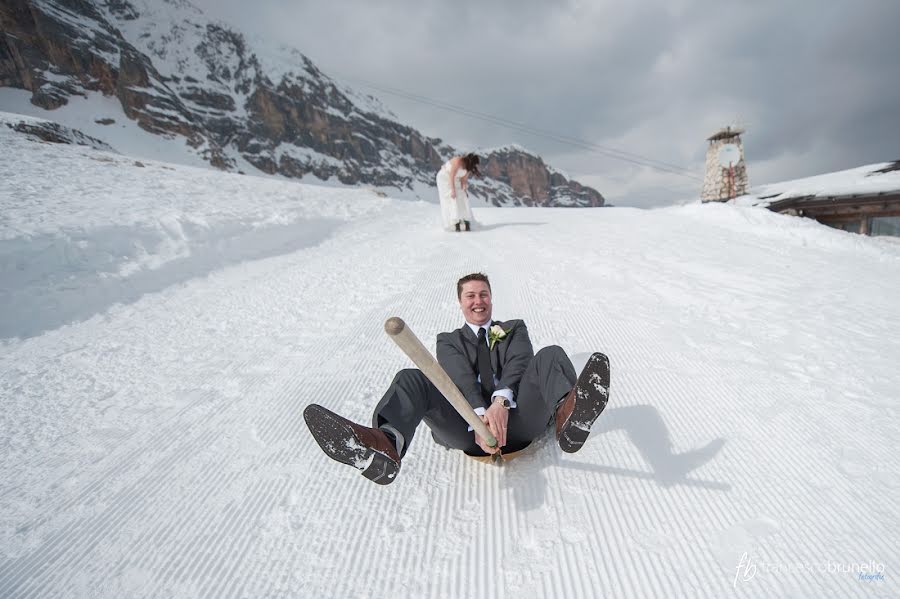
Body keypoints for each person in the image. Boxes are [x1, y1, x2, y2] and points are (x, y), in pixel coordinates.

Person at [303, 273, 610, 485]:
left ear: (491, 298)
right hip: (465, 431)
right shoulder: (448, 340)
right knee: (412, 378)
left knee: (551, 354)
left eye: (484, 294)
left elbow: (519, 362)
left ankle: (569, 417)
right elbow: (457, 378)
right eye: (470, 295)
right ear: (460, 302)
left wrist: (500, 403)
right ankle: (386, 446)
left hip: (520, 422)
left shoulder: (514, 328)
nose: (478, 301)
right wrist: (478, 415)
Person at [437, 153, 480, 232]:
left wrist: (464, 190)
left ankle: (465, 221)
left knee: (462, 197)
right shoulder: (457, 161)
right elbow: (451, 176)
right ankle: (453, 223)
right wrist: (453, 191)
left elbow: (463, 180)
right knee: (451, 198)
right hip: (445, 178)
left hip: (456, 179)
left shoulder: (468, 167)